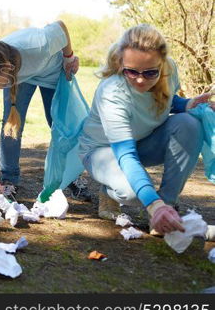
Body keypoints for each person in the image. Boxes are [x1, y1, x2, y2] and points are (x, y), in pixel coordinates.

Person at [77, 24, 212, 234]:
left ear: (162, 64)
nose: (140, 80)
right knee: (131, 192)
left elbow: (161, 100)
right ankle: (116, 193)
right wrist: (152, 203)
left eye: (150, 73)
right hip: (103, 151)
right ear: (121, 63)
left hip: (144, 141)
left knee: (190, 124)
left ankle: (166, 209)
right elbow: (126, 154)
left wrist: (186, 105)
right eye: (131, 71)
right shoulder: (112, 93)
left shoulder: (170, 70)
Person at [0, 20, 80, 201]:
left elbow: (60, 26)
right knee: (11, 125)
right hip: (19, 78)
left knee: (60, 124)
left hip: (50, 70)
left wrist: (69, 57)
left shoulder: (39, 45)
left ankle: (71, 176)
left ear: (7, 69)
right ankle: (9, 179)